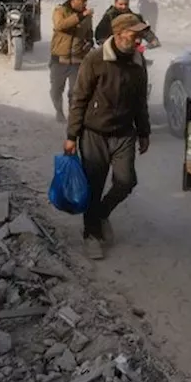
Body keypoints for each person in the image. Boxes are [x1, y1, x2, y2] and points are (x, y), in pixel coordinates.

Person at [64, 13, 152, 260]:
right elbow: (78, 98)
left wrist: (144, 131)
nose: (137, 40)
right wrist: (72, 135)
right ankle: (91, 234)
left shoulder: (138, 61)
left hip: (124, 133)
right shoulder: (95, 59)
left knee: (126, 182)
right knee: (94, 185)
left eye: (139, 36)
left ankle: (101, 214)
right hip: (94, 133)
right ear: (119, 34)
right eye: (134, 35)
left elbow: (140, 101)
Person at [51, 0, 94, 123]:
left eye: (86, 1)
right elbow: (60, 25)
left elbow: (89, 33)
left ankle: (73, 118)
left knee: (75, 92)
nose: (85, 4)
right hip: (59, 59)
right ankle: (58, 111)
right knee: (56, 90)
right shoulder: (60, 11)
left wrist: (89, 43)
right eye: (82, 1)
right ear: (73, 0)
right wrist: (80, 16)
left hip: (77, 60)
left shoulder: (86, 16)